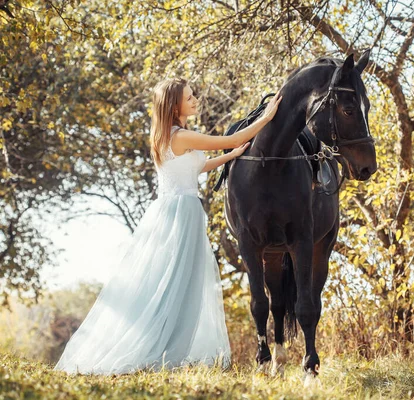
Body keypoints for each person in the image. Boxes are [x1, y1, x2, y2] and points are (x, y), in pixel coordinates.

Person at [53, 78, 282, 375]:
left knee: (175, 283)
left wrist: (230, 157)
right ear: (174, 106)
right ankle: (160, 350)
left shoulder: (171, 136)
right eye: (189, 98)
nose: (195, 100)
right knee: (175, 283)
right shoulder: (180, 136)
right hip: (181, 213)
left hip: (174, 210)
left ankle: (166, 349)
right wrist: (266, 117)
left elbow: (196, 167)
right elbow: (230, 139)